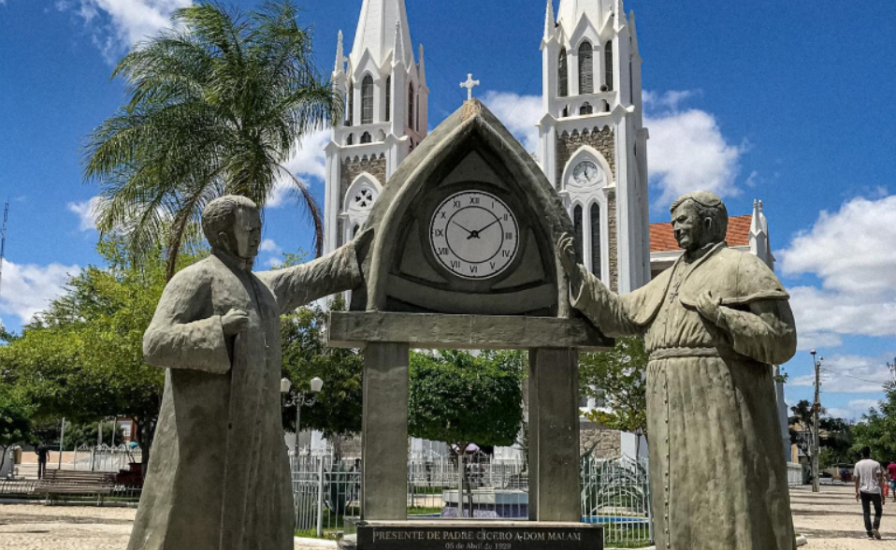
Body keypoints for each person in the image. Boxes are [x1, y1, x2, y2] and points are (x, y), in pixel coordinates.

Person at [557, 191, 798, 550]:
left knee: (724, 495)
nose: (675, 229)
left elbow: (781, 340)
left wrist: (723, 316)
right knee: (677, 500)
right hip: (666, 406)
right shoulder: (670, 277)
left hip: (718, 403)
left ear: (709, 223)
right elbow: (621, 314)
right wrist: (575, 272)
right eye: (672, 223)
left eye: (682, 221)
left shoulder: (742, 267)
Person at [127, 196, 370, 550]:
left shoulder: (260, 287)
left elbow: (312, 277)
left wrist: (362, 250)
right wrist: (217, 329)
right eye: (249, 229)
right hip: (206, 438)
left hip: (259, 437)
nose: (257, 235)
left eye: (260, 228)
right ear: (223, 236)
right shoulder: (195, 280)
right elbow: (155, 344)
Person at [855, 447, 885, 540]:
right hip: (875, 490)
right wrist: (883, 493)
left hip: (863, 490)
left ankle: (869, 532)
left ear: (862, 454)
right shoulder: (876, 464)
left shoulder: (857, 464)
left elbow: (856, 478)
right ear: (870, 453)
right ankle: (875, 527)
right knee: (878, 510)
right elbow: (880, 478)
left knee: (866, 511)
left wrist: (856, 491)